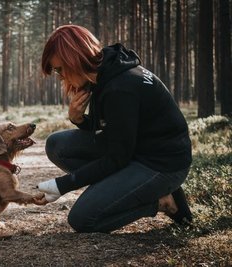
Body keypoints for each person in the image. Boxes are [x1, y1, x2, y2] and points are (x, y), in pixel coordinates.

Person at [37, 25, 193, 233]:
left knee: (83, 219)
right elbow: (113, 129)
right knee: (57, 145)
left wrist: (62, 186)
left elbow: (117, 156)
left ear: (74, 59)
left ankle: (162, 200)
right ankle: (116, 189)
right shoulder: (106, 72)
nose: (60, 77)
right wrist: (80, 120)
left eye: (59, 69)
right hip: (136, 151)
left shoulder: (121, 87)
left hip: (161, 165)